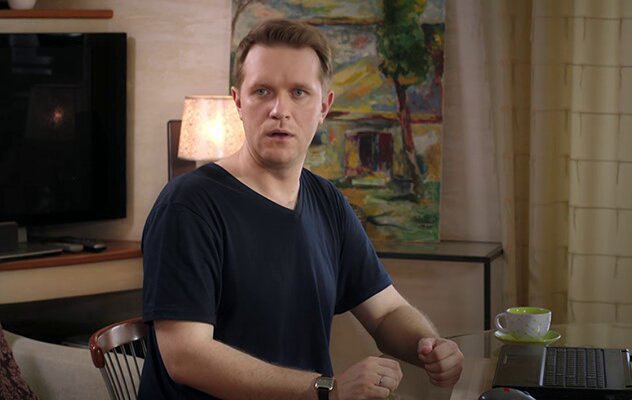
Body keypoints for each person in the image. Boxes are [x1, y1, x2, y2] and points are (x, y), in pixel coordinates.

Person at [139, 19, 463, 400]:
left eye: (298, 92)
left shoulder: (328, 202)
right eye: (262, 91)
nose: (280, 110)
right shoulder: (188, 206)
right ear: (239, 102)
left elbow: (387, 312)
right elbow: (186, 355)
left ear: (324, 106)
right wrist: (325, 389)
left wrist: (430, 346)